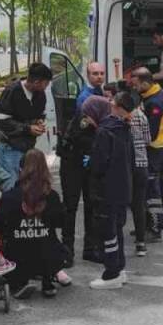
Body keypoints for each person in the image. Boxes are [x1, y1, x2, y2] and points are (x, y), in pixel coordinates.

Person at [0, 149, 70, 299]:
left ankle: (20, 281)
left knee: (12, 247)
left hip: (17, 256)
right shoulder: (52, 196)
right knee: (49, 243)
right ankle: (48, 278)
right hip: (47, 255)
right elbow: (61, 222)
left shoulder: (10, 197)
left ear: (20, 170)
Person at [88, 91, 136, 290]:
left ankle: (111, 273)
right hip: (123, 188)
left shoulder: (105, 131)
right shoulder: (125, 129)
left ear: (116, 107)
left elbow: (98, 164)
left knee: (108, 232)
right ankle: (119, 267)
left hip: (106, 189)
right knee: (118, 229)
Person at [59, 62, 105, 267]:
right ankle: (67, 251)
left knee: (92, 204)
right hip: (73, 160)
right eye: (95, 73)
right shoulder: (85, 99)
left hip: (88, 159)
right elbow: (82, 132)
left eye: (101, 73)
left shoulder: (100, 94)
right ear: (88, 75)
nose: (99, 76)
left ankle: (90, 249)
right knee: (70, 207)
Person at [0, 63, 51, 188]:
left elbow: (40, 113)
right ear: (36, 82)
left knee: (28, 188)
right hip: (10, 149)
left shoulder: (40, 95)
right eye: (46, 83)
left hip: (28, 149)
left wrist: (39, 121)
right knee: (12, 188)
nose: (46, 87)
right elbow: (1, 120)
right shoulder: (12, 91)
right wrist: (28, 128)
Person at [132, 67, 163, 241]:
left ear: (146, 83)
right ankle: (145, 225)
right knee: (146, 189)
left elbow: (151, 134)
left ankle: (155, 229)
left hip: (154, 149)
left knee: (152, 190)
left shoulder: (155, 102)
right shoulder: (151, 94)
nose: (134, 88)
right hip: (153, 149)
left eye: (136, 85)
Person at [127, 91, 150, 258]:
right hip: (141, 164)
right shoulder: (142, 117)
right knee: (139, 204)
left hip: (126, 165)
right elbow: (148, 140)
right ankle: (141, 243)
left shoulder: (123, 118)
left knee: (122, 202)